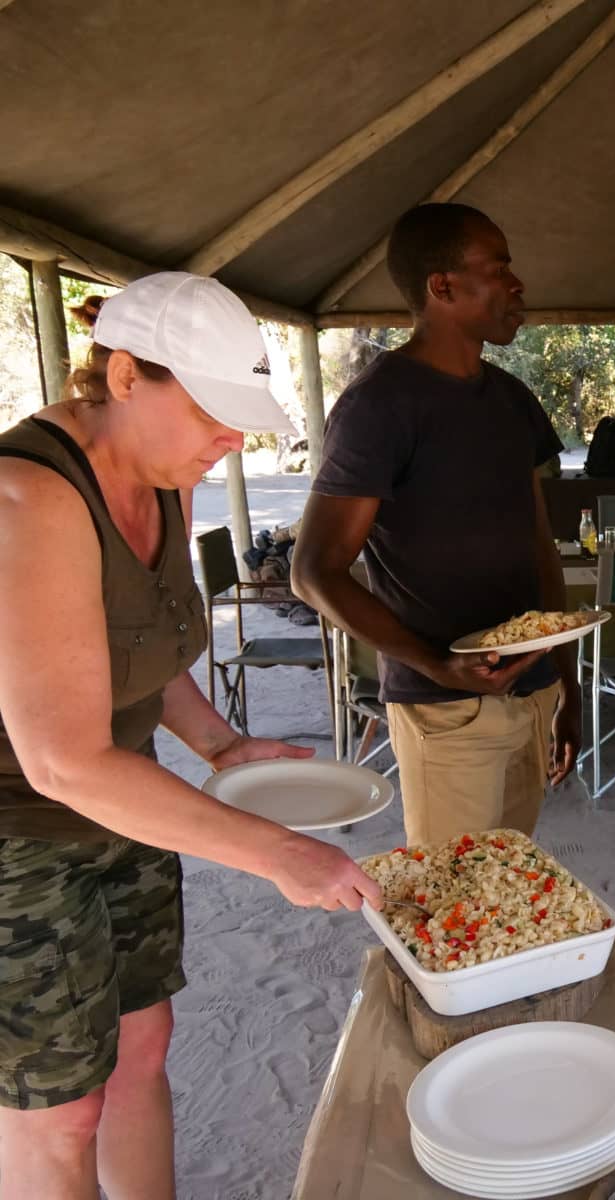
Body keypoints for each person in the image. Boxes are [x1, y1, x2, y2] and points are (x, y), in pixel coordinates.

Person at [0, 272, 380, 1199]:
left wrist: (218, 744)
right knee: (59, 1112)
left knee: (142, 1047)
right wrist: (275, 853)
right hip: (20, 834)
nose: (232, 439)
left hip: (119, 808)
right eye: (213, 410)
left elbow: (145, 639)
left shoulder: (161, 476)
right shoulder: (28, 498)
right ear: (124, 376)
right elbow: (61, 759)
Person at [293, 203, 580, 846]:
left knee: (511, 888)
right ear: (442, 287)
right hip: (448, 707)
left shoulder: (512, 401)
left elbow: (540, 551)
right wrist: (435, 664)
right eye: (498, 268)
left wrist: (566, 686)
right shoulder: (379, 407)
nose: (517, 284)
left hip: (531, 692)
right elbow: (313, 572)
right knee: (451, 900)